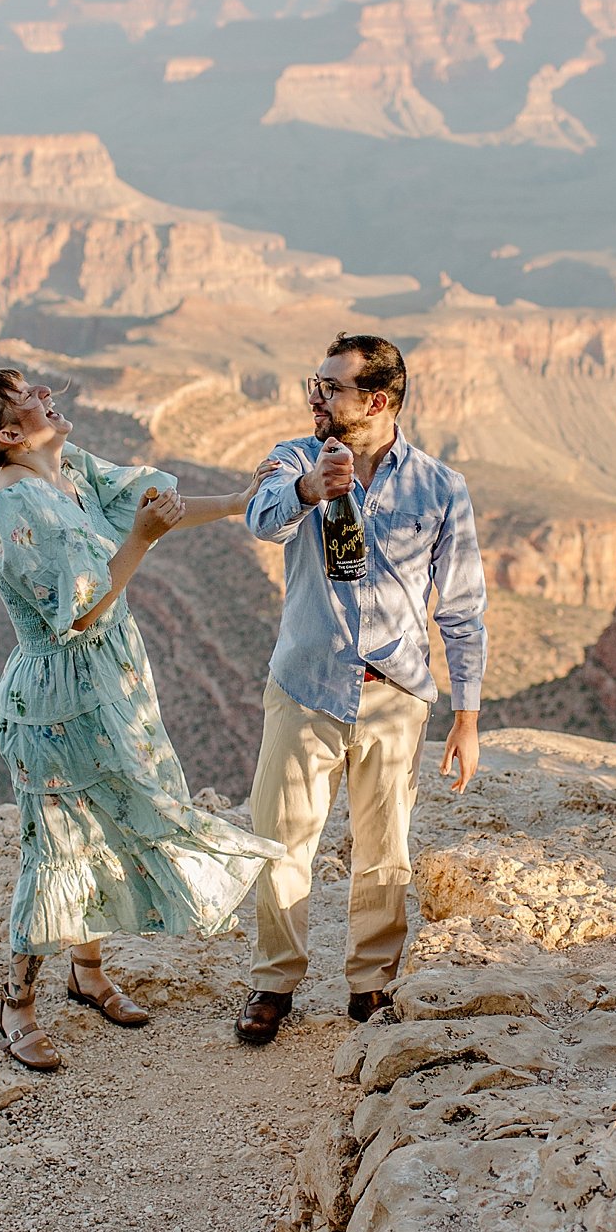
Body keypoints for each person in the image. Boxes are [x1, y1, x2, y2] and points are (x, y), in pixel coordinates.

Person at [0, 366, 284, 1072]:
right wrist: (137, 541)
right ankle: (15, 1007)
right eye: (31, 399)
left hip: (113, 681)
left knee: (104, 823)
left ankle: (89, 971)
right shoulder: (18, 510)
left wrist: (233, 502)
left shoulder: (68, 467)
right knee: (57, 847)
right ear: (11, 435)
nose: (50, 397)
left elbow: (151, 504)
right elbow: (77, 611)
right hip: (57, 697)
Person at [235, 333, 488, 1045]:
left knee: (384, 846)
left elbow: (462, 607)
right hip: (307, 685)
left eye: (329, 386)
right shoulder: (293, 457)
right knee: (281, 840)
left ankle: (369, 985)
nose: (314, 397)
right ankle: (274, 982)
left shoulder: (439, 487)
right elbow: (259, 518)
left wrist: (466, 717)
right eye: (312, 383)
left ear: (376, 401)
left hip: (396, 694)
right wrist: (312, 487)